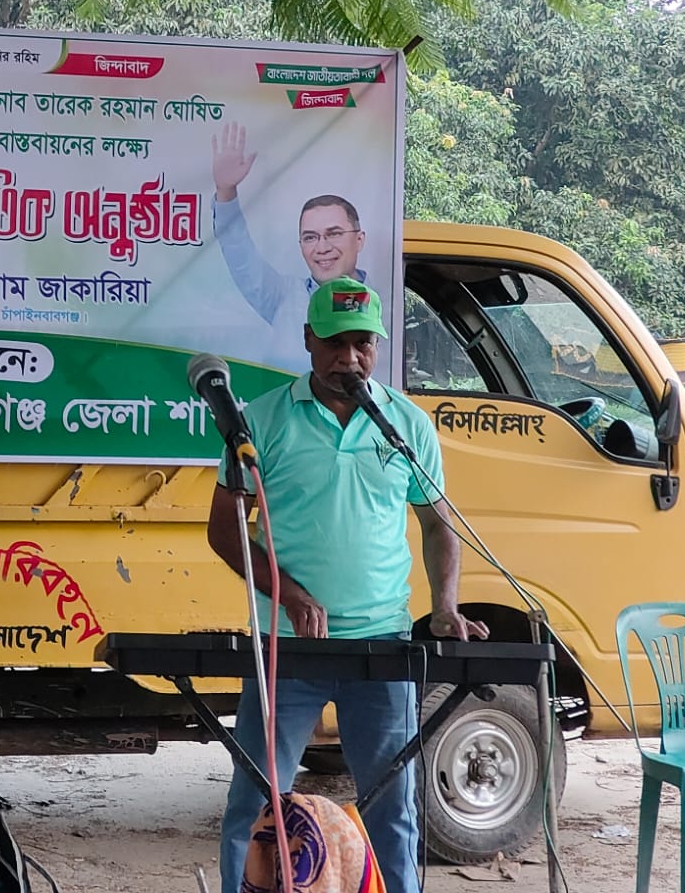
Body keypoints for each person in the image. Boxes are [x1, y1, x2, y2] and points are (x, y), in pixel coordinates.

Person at [206, 277, 488, 893]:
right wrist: (289, 594)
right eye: (335, 343)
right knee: (255, 803)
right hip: (286, 647)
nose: (350, 358)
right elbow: (225, 530)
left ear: (378, 347)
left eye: (363, 344)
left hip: (382, 646)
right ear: (308, 340)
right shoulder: (260, 422)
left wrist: (444, 607)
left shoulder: (404, 424)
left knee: (393, 807)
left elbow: (438, 525)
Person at [211, 122, 369, 372]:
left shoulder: (382, 302)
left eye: (334, 234)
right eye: (310, 237)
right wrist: (226, 192)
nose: (322, 247)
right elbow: (239, 253)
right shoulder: (284, 297)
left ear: (359, 239)